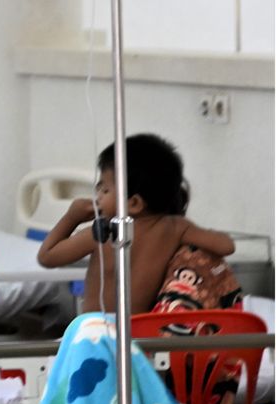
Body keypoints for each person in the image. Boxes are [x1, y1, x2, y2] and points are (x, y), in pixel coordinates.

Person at [37, 133, 236, 316]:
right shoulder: (175, 228)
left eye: (105, 190)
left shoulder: (105, 232)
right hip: (138, 333)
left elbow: (47, 256)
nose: (97, 196)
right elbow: (226, 246)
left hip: (95, 330)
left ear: (134, 203)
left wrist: (72, 217)